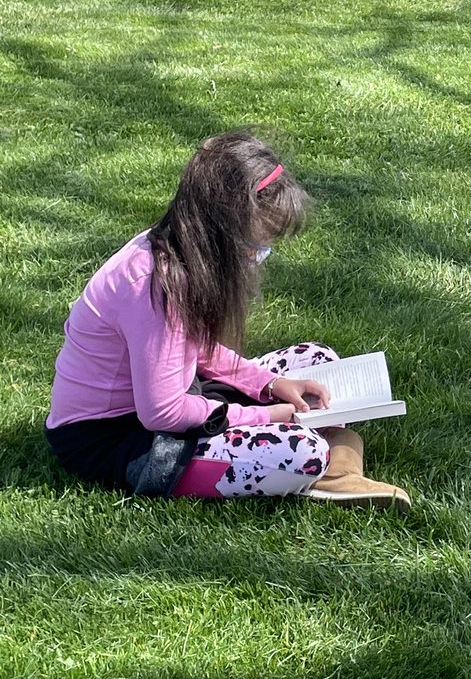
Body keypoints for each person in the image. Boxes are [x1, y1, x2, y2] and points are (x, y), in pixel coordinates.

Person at [44, 132, 410, 508]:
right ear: (219, 230)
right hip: (118, 438)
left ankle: (334, 467)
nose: (258, 257)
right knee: (303, 452)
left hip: (179, 394)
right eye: (254, 246)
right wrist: (262, 416)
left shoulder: (177, 252)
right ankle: (331, 466)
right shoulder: (158, 286)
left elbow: (196, 350)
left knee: (317, 360)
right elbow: (162, 412)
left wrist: (272, 384)